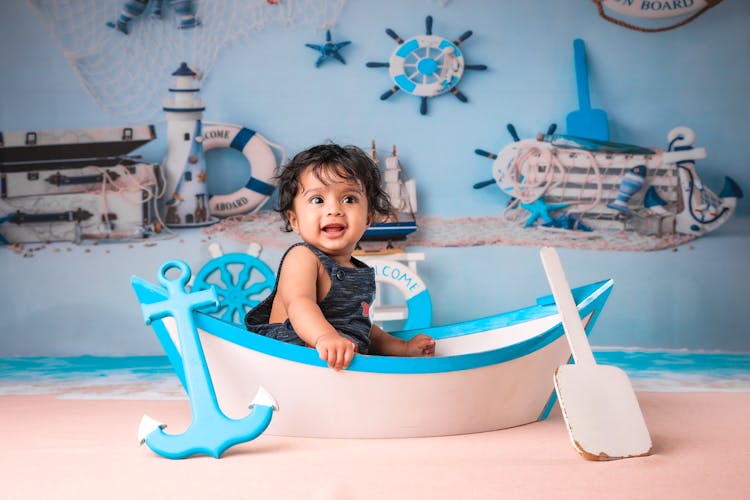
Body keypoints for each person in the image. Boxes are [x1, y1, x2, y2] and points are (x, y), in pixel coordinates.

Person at [245, 144, 435, 370]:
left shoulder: (359, 270)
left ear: (368, 218)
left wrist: (402, 348)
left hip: (334, 368)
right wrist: (324, 336)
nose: (334, 209)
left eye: (349, 199)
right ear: (294, 219)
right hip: (291, 363)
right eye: (317, 200)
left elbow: (365, 330)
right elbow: (299, 304)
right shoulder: (302, 257)